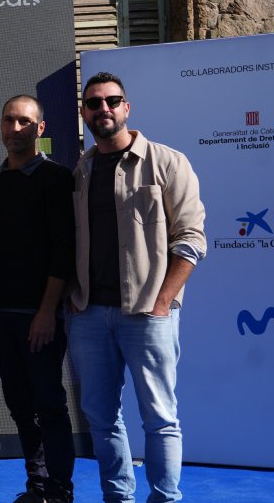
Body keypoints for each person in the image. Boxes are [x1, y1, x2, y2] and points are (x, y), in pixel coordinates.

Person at [67, 72, 206, 503]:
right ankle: (119, 497)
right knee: (101, 418)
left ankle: (165, 499)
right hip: (90, 315)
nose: (102, 109)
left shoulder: (167, 162)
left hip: (148, 315)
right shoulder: (82, 171)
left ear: (127, 107)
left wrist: (164, 301)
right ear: (85, 112)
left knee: (160, 418)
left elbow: (192, 239)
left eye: (112, 100)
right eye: (94, 103)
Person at [0, 96, 75, 503]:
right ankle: (36, 487)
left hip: (41, 317)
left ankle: (60, 490)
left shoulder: (57, 179)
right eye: (8, 121)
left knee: (49, 404)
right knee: (19, 405)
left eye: (24, 121)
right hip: (0, 317)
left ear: (40, 128)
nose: (15, 128)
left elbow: (63, 250)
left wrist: (47, 311)